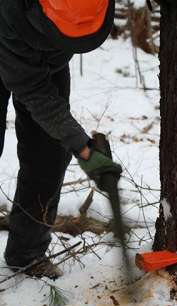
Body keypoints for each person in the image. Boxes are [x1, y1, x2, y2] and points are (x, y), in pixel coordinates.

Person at [0, 0, 121, 279]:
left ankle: (27, 253)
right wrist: (83, 148)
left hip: (46, 57)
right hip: (9, 38)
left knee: (49, 155)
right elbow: (36, 93)